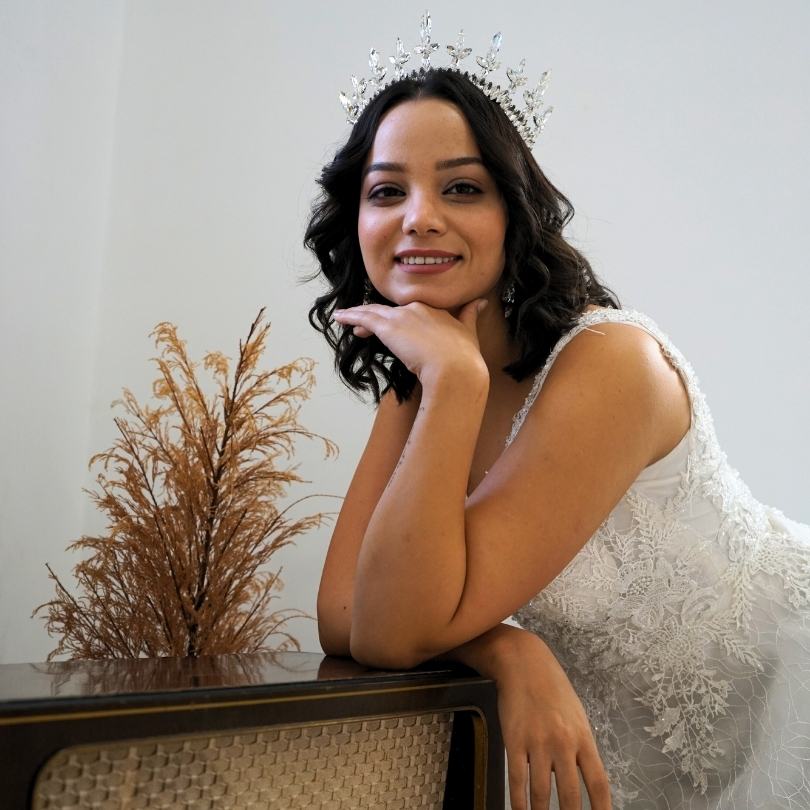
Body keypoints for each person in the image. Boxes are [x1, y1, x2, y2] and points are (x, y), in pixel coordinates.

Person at [305, 15, 810, 810]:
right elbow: (352, 622)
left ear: (515, 213)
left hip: (792, 704)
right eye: (386, 191)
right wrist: (507, 649)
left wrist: (458, 386)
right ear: (356, 221)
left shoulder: (611, 364)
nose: (419, 217)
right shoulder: (427, 380)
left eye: (461, 187)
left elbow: (388, 630)